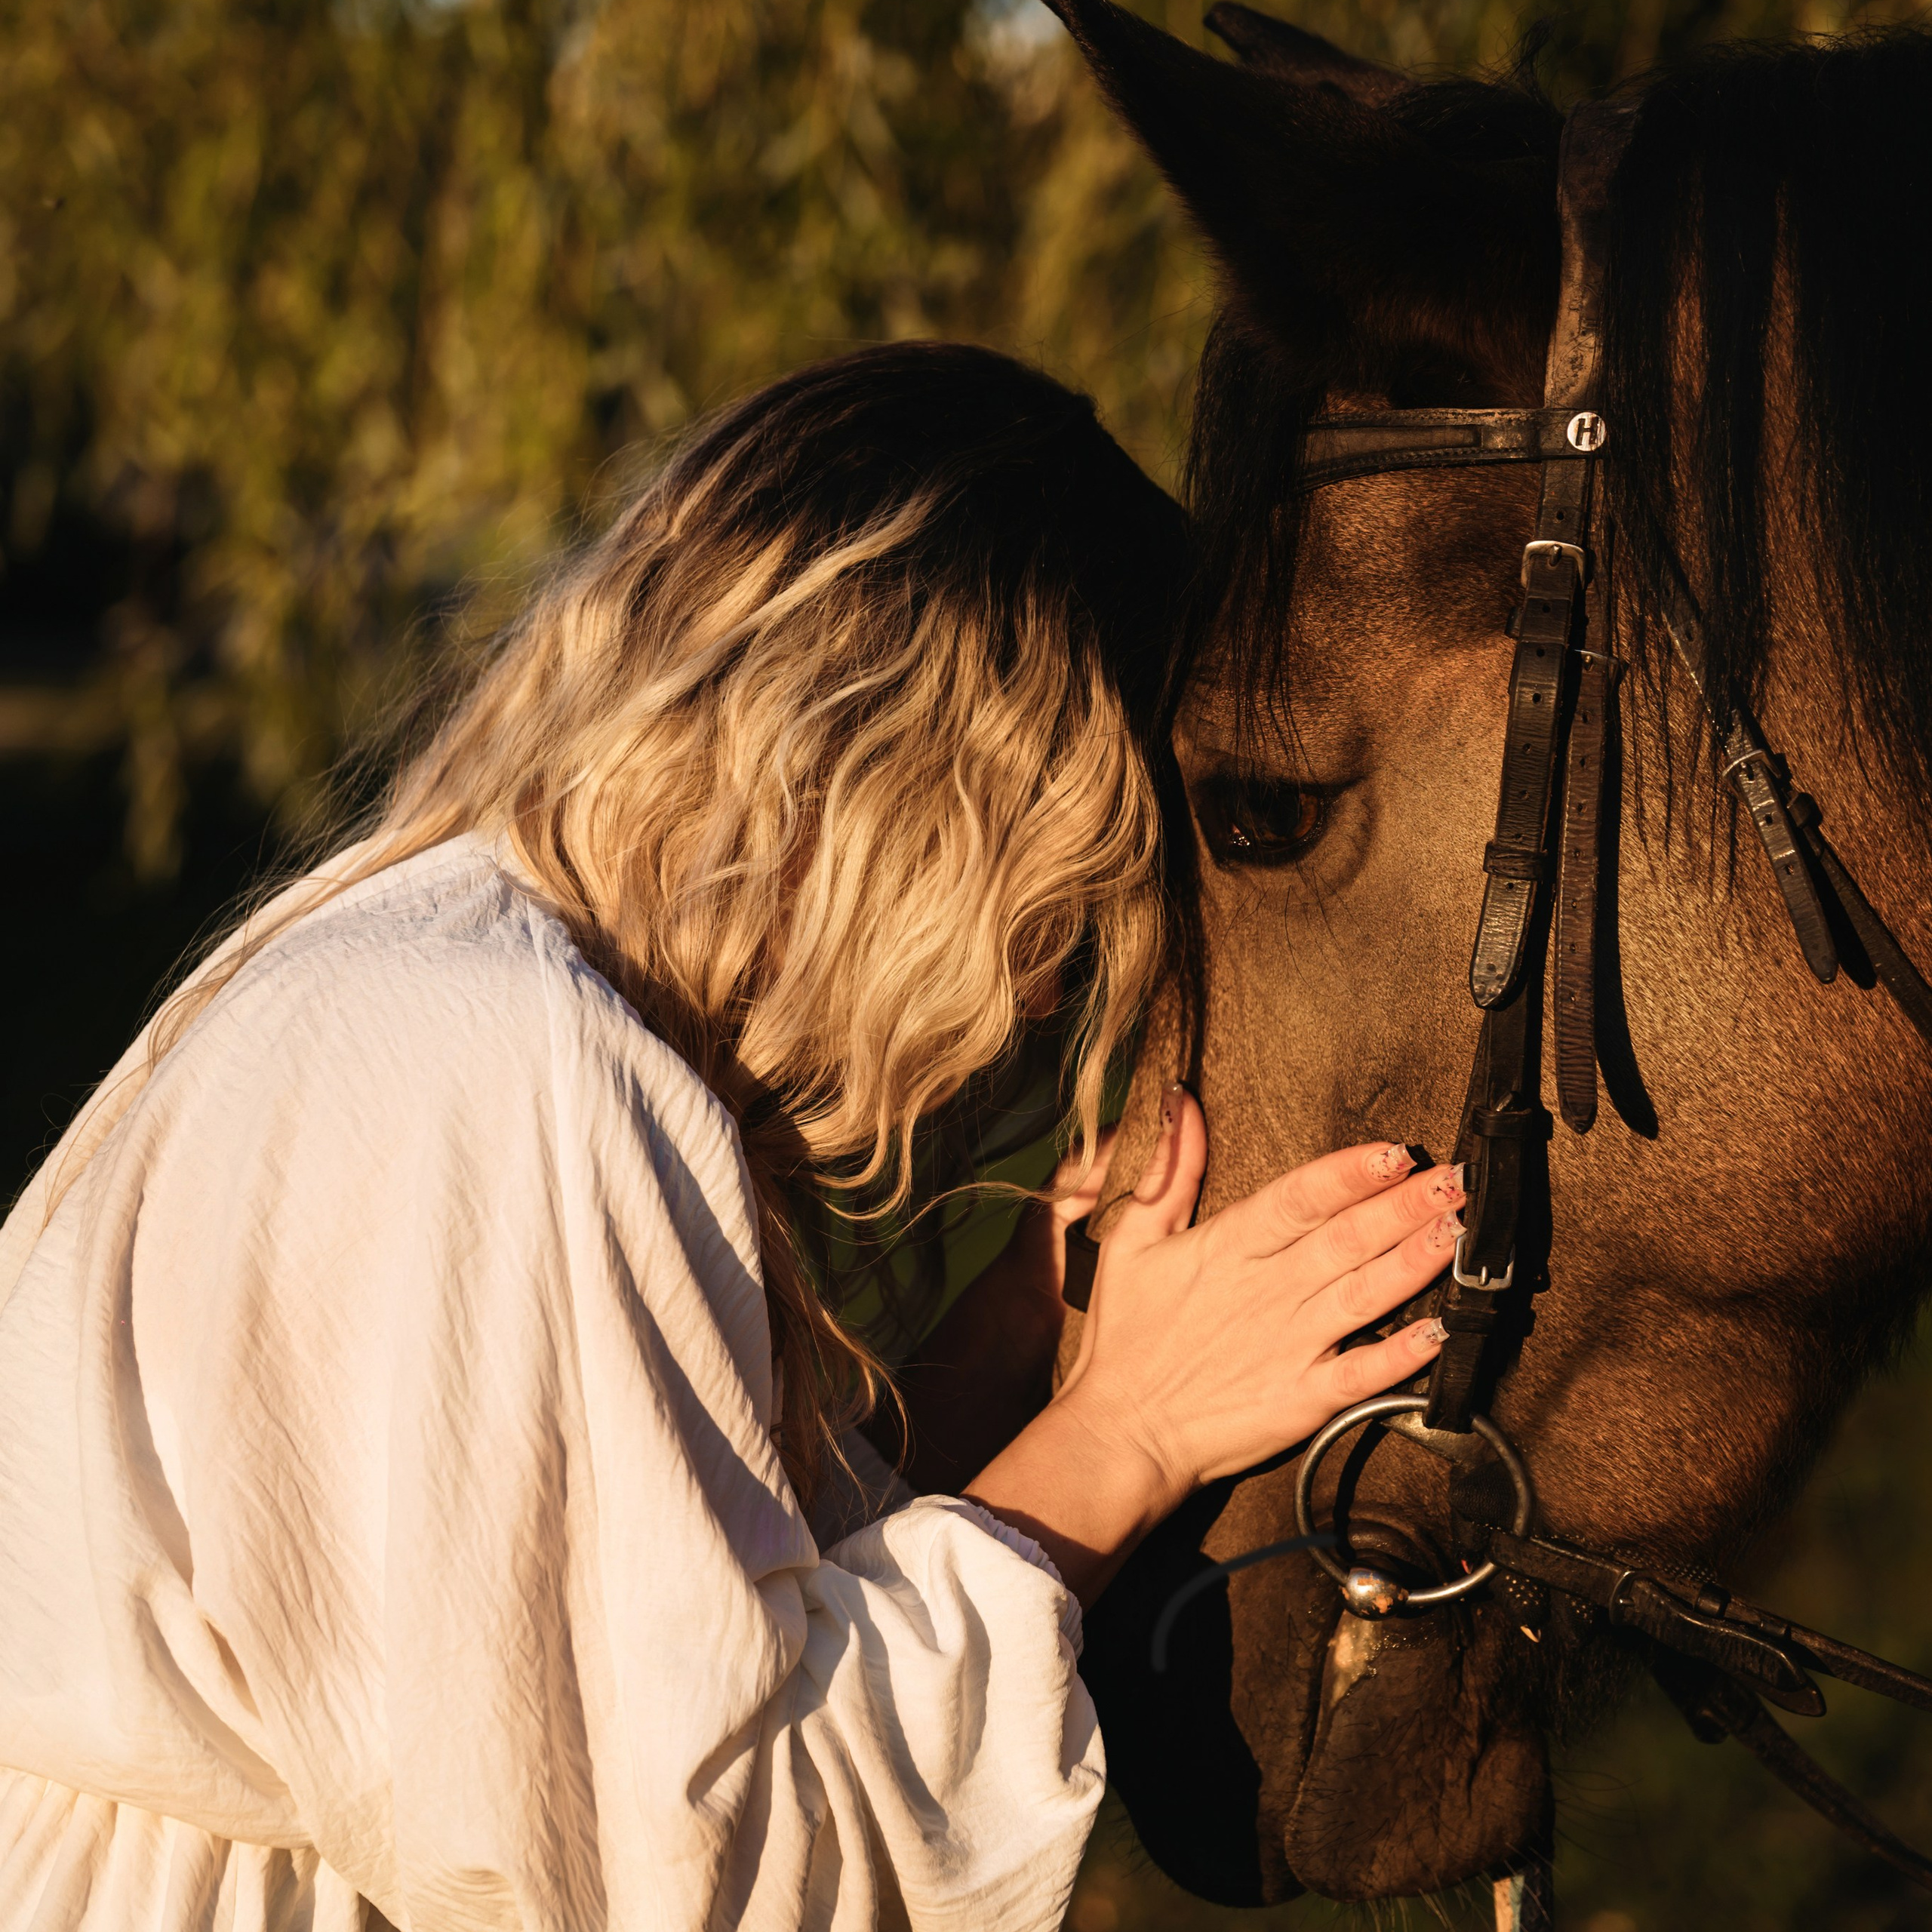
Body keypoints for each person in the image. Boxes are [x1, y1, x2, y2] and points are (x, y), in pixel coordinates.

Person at [0, 343, 1460, 1932]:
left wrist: (1028, 1331)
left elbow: (686, 1630)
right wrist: (1128, 1432)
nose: (1042, 987)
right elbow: (686, 1863)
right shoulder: (507, 1061)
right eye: (1063, 886)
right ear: (927, 796)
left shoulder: (444, 986)